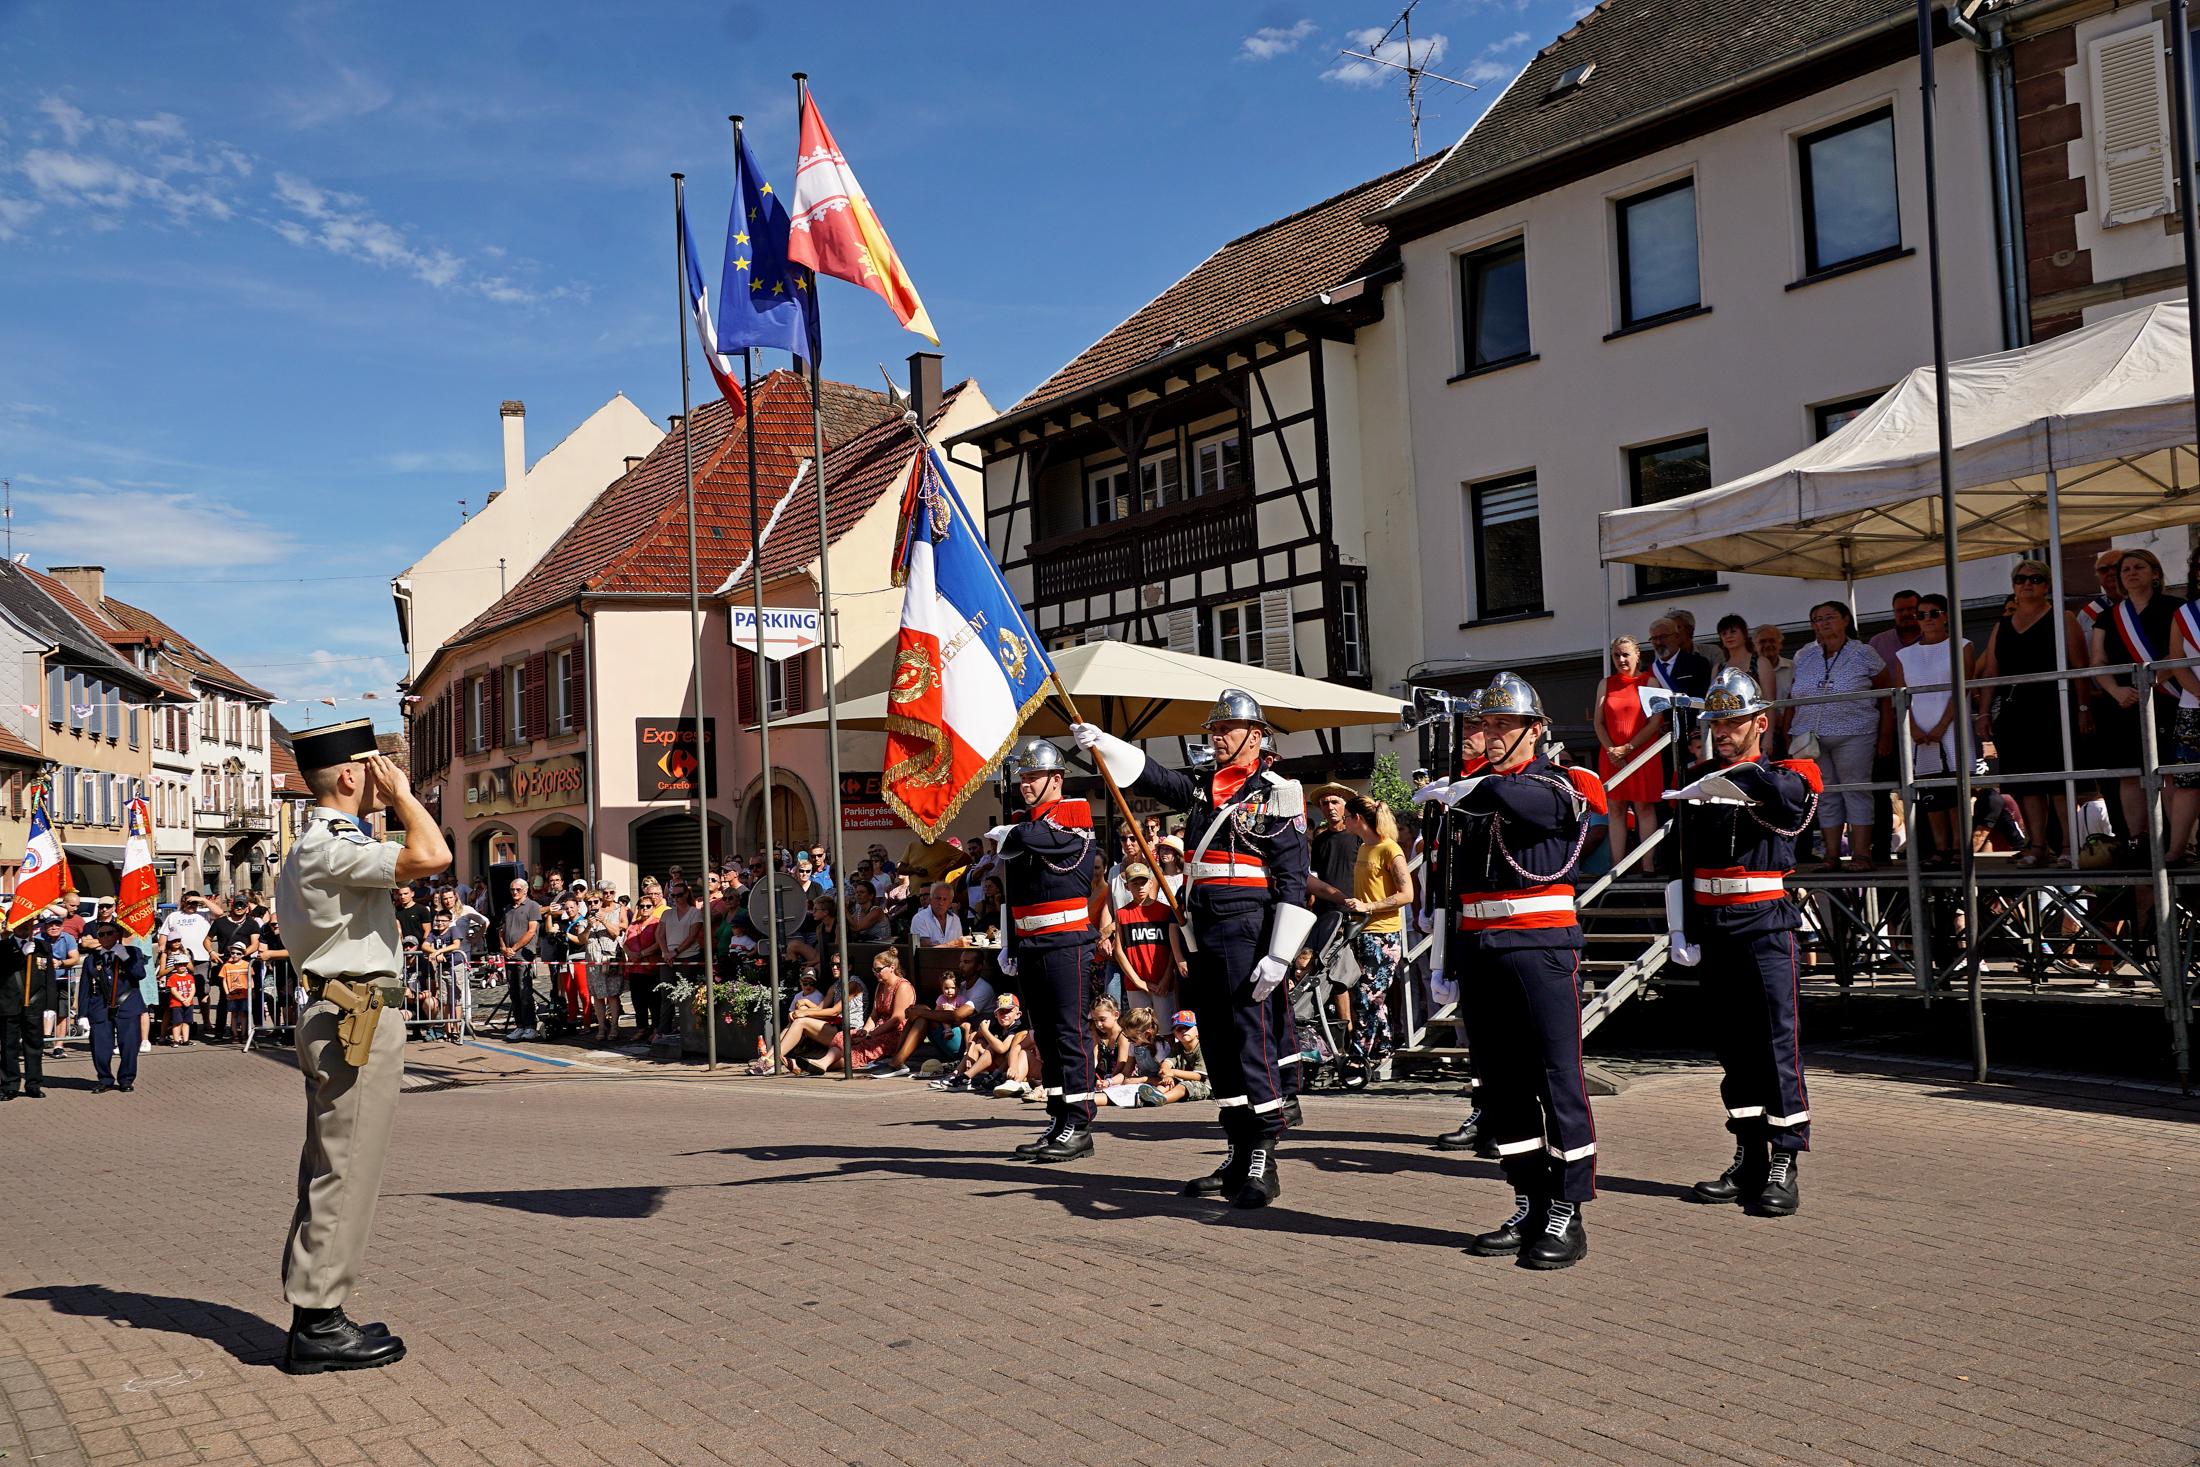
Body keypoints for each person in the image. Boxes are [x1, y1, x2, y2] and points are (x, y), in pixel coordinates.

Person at [1075, 691, 1314, 1208]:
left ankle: (1263, 1158)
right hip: (1203, 928)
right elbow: (1158, 779)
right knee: (1222, 1046)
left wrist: (1280, 953)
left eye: (1228, 728)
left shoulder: (1277, 791)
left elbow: (1293, 878)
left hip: (1249, 929)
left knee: (1253, 1041)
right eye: (1214, 728)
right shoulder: (1206, 789)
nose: (1218, 736)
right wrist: (1108, 745)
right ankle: (1237, 1148)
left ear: (1255, 735)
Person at [274, 717, 452, 1375]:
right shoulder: (332, 841)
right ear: (352, 774)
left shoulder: (315, 843)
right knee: (347, 1166)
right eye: (374, 764)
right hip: (357, 1017)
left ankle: (315, 1309)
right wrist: (404, 795)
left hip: (342, 1011)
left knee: (330, 1162)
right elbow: (433, 854)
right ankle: (319, 1318)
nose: (382, 773)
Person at [1438, 672, 1604, 1269]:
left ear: (1536, 730)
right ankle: (1530, 1197)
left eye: (1503, 724)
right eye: (1486, 724)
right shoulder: (1479, 789)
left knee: (1557, 1076)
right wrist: (1446, 956)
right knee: (1504, 1082)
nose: (1491, 734)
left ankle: (1568, 1207)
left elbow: (1535, 807)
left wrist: (1470, 788)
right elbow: (1453, 885)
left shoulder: (1561, 781)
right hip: (1481, 946)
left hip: (1539, 945)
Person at [1668, 668, 1820, 1217]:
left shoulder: (1785, 774)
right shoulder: (1700, 777)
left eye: (1733, 720)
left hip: (1762, 919)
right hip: (1713, 920)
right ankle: (1749, 1151)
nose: (1723, 730)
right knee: (1733, 1047)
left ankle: (1785, 1157)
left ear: (1761, 722)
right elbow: (1683, 859)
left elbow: (1789, 802)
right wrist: (1681, 924)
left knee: (1776, 1042)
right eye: (1716, 721)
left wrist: (1738, 777)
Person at [988, 738, 1103, 1163]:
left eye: (1034, 776)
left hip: (1065, 942)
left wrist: (1014, 831)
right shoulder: (1026, 824)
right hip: (1032, 941)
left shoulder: (1072, 813)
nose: (1025, 784)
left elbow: (1042, 838)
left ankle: (1080, 1121)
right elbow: (1013, 893)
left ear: (1057, 779)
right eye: (1022, 777)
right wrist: (1011, 941)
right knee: (1047, 1038)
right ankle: (1058, 1117)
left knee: (1070, 1034)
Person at [1789, 600, 1893, 870]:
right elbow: (1792, 696)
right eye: (1816, 619)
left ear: (1846, 619)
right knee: (1826, 794)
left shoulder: (1865, 653)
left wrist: (1886, 735)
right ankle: (1831, 856)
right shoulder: (1804, 656)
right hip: (1812, 738)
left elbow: (1886, 694)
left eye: (1829, 617)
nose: (1822, 623)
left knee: (1856, 790)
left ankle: (1861, 855)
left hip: (1855, 732)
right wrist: (1790, 732)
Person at [2090, 548, 2179, 860]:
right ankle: (2138, 840)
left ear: (2155, 573)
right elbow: (2098, 661)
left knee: (2168, 772)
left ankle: (2175, 841)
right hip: (2123, 703)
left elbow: (2177, 653)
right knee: (2130, 773)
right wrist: (2115, 691)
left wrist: (2149, 683)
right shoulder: (2107, 616)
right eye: (2125, 569)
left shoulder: (2174, 608)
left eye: (2138, 567)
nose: (2130, 573)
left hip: (2167, 698)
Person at [1892, 594, 1977, 867]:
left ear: (1946, 616)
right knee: (1931, 793)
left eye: (1933, 613)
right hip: (1919, 730)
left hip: (1951, 726)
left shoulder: (1962, 646)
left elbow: (1961, 688)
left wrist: (1942, 726)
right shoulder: (1904, 655)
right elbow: (1901, 697)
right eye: (1921, 614)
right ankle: (1940, 847)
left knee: (1954, 789)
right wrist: (1913, 728)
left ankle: (1957, 847)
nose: (1926, 619)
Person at [1339, 794, 1413, 1089]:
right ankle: (1382, 1048)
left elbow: (1406, 894)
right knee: (1371, 996)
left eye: (1346, 816)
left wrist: (1368, 907)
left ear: (1357, 819)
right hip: (1362, 931)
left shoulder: (1389, 849)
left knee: (1367, 997)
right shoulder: (1364, 847)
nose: (1343, 821)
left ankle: (1359, 1054)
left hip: (1382, 932)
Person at [1593, 634, 1664, 866]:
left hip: (1642, 752)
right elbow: (1598, 722)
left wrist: (1628, 747)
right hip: (1611, 754)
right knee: (1615, 807)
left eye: (1625, 654)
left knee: (1643, 805)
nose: (1621, 659)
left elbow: (1655, 722)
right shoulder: (1606, 683)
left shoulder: (1649, 682)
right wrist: (1612, 750)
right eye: (1616, 655)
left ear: (1637, 655)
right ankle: (1617, 866)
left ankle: (1648, 865)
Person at [1101, 862, 1185, 1032]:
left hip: (1162, 983)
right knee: (1140, 1032)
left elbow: (1171, 950)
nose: (1140, 887)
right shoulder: (1122, 913)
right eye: (1135, 883)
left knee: (1166, 1031)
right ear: (1127, 887)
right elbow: (1119, 951)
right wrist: (1137, 981)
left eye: (1143, 882)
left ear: (1151, 883)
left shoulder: (1165, 911)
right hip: (1136, 984)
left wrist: (1166, 977)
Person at [78, 924, 146, 1093]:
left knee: (129, 1044)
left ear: (117, 935)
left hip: (127, 1005)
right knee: (100, 1046)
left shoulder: (132, 952)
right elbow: (85, 988)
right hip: (100, 1006)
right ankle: (105, 1079)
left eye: (110, 933)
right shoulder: (92, 959)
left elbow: (139, 974)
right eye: (102, 934)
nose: (106, 936)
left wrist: (125, 957)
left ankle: (126, 1079)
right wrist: (82, 1014)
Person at [1303, 783, 1362, 968]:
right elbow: (1315, 876)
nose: (1330, 807)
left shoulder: (1358, 836)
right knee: (1331, 969)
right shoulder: (1320, 840)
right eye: (1324, 803)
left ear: (1345, 805)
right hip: (1327, 914)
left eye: (1335, 802)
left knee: (1357, 968)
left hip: (1355, 912)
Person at [2, 923, 58, 1100]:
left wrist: (51, 1005)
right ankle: (10, 1085)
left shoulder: (42, 946)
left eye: (27, 924)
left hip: (35, 1004)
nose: (23, 928)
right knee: (9, 1047)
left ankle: (33, 1084)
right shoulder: (3, 947)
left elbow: (49, 976)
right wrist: (21, 954)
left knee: (34, 1046)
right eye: (19, 924)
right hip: (9, 1004)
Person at [1646, 616, 1712, 699]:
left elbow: (1703, 698)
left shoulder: (1698, 664)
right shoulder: (1648, 671)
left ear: (1676, 636)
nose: (1658, 642)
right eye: (1654, 638)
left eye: (1663, 637)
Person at [911, 882, 965, 949]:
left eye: (944, 899)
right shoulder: (920, 918)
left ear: (950, 903)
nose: (941, 903)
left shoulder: (955, 919)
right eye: (938, 898)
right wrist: (955, 943)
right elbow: (926, 951)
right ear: (931, 900)